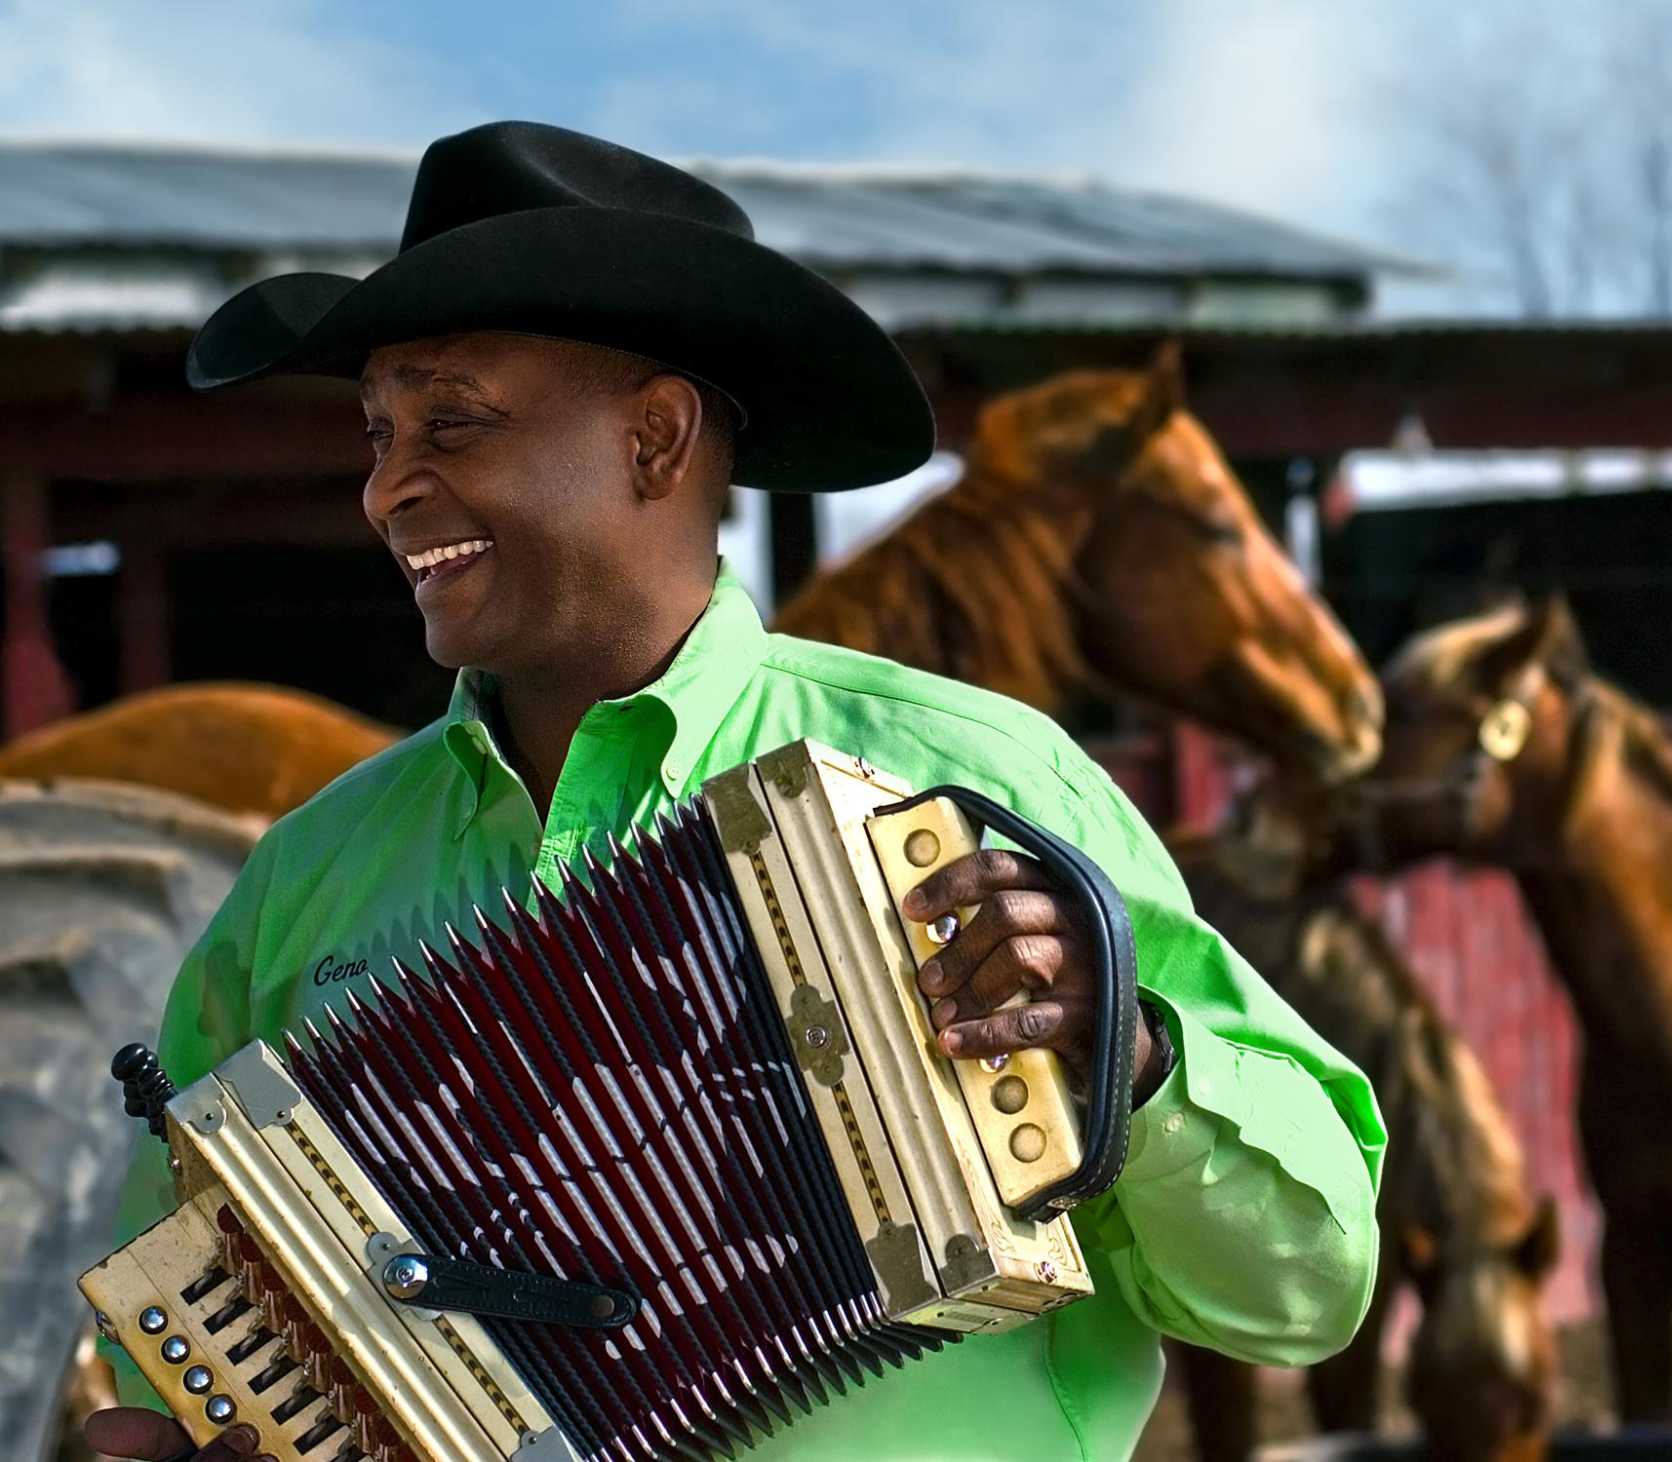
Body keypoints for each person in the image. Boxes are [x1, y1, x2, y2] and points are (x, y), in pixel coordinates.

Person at [86, 121, 1385, 1462]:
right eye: (377, 433)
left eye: (451, 421)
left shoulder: (986, 781)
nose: (388, 487)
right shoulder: (305, 880)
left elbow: (1310, 1282)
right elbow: (165, 1334)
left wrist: (1132, 1060)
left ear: (655, 440)